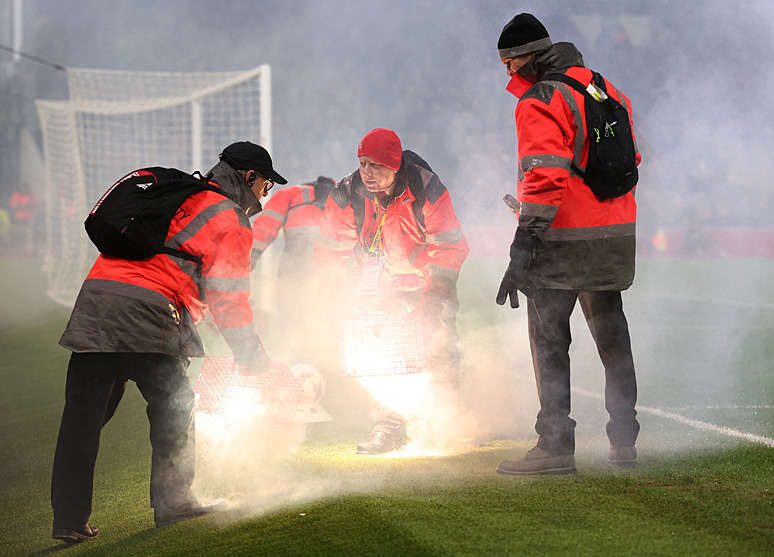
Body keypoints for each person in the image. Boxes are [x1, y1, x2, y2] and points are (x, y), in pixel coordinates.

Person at [50, 141, 287, 542]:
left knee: (83, 419)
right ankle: (174, 501)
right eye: (266, 185)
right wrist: (252, 356)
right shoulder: (229, 217)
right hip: (149, 313)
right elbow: (229, 299)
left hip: (96, 302)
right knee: (175, 406)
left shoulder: (179, 194)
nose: (266, 195)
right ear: (249, 177)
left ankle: (69, 520)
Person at [494, 14, 642, 475]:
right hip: (614, 235)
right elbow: (631, 159)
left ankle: (556, 444)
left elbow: (546, 175)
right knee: (612, 336)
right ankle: (624, 441)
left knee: (549, 340)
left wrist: (524, 243)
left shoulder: (540, 98)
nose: (508, 72)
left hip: (561, 240)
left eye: (510, 62)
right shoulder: (606, 89)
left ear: (529, 57)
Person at [314, 128, 469, 455]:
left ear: (395, 165)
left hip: (426, 281)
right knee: (379, 351)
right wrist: (333, 303)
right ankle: (386, 426)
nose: (367, 173)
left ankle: (444, 422)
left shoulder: (426, 188)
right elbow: (330, 253)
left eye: (376, 166)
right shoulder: (346, 194)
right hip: (377, 285)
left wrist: (432, 302)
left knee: (439, 346)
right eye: (362, 164)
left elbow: (451, 248)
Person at [250, 176, 335, 361]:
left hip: (299, 248)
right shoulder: (347, 193)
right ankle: (337, 351)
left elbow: (265, 226)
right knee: (337, 300)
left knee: (287, 298)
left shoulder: (291, 193)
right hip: (334, 250)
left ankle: (299, 352)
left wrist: (248, 258)